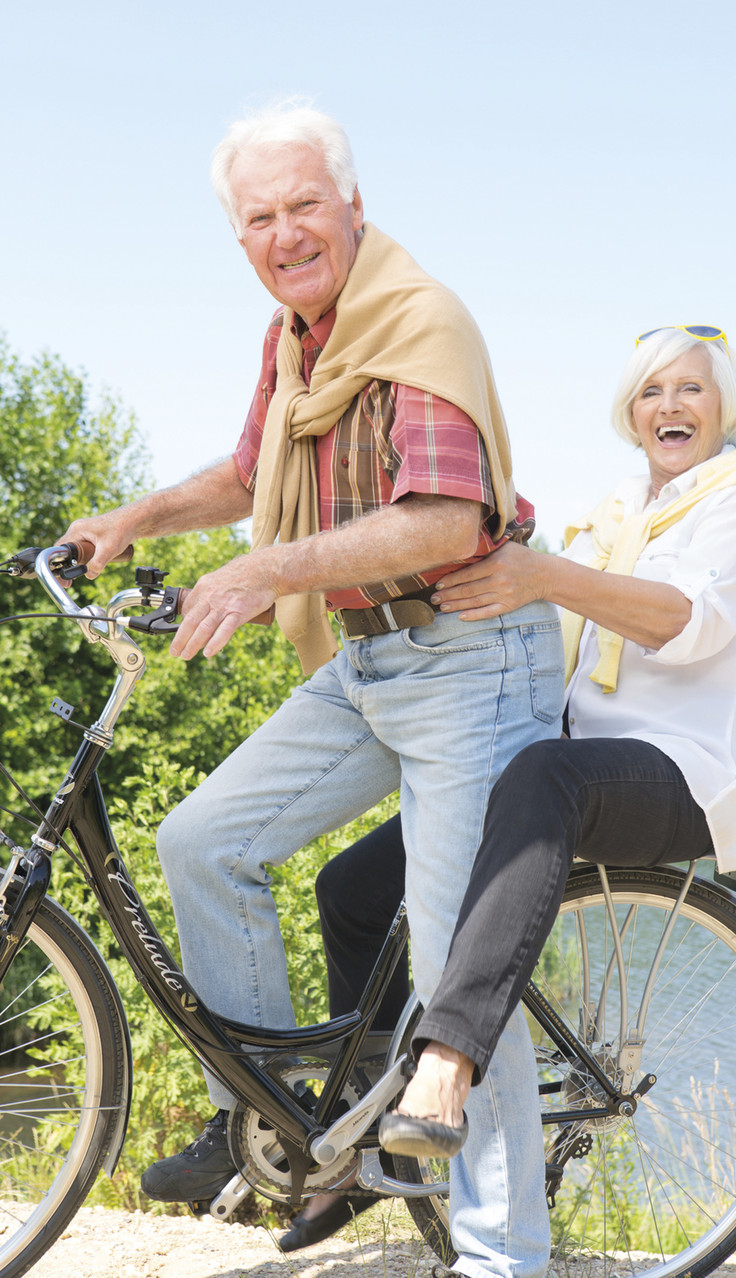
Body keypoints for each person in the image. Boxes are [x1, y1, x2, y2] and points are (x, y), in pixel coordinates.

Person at [61, 106, 564, 1277]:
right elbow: (252, 473)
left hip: (473, 661)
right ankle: (287, 1129)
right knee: (202, 842)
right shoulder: (295, 339)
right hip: (374, 658)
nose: (286, 231)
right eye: (259, 217)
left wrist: (267, 566)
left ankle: (504, 1260)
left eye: (303, 205)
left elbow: (446, 518)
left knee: (453, 985)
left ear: (351, 207)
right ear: (238, 238)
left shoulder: (415, 319)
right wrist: (139, 518)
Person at [312, 323, 736, 1165]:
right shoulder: (617, 513)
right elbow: (534, 604)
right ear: (630, 412)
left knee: (543, 775)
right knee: (353, 889)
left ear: (726, 406)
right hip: (567, 762)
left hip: (682, 773)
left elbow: (683, 621)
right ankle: (364, 1143)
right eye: (651, 391)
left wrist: (544, 574)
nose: (669, 405)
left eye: (690, 389)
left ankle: (448, 1059)